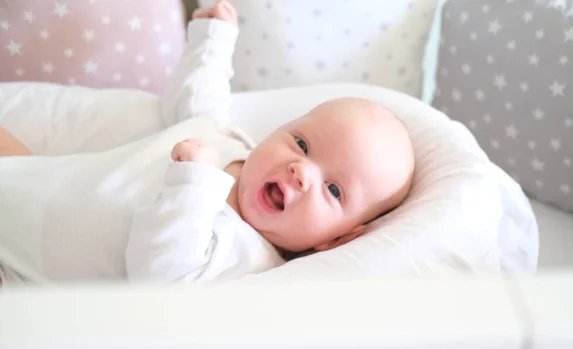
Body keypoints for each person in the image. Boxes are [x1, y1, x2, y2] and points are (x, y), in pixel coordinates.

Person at [0, 0, 414, 286]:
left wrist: (194, 184)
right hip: (39, 183)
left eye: (334, 189)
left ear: (337, 240)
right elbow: (200, 100)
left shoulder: (246, 255)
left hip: (34, 268)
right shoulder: (231, 144)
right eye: (302, 145)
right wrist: (214, 42)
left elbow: (161, 277)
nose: (302, 171)